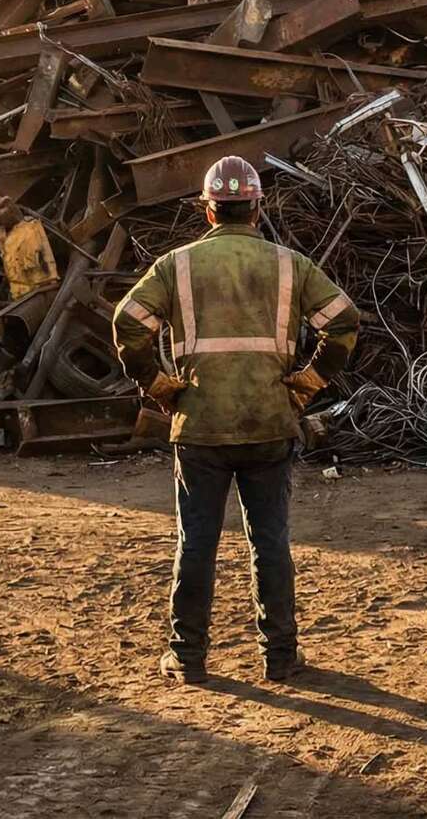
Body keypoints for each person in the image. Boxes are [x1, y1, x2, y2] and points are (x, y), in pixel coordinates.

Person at [111, 155, 359, 685]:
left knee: (196, 542)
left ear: (208, 211)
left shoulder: (176, 266)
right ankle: (281, 657)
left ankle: (188, 657)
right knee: (269, 540)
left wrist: (157, 385)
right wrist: (307, 383)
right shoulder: (291, 265)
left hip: (199, 427)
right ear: (256, 208)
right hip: (270, 422)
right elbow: (342, 322)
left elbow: (128, 323)